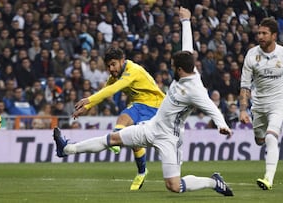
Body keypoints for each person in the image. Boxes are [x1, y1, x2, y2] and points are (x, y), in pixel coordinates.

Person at [53, 7, 234, 196]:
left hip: (169, 138)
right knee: (113, 138)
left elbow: (210, 106)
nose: (171, 69)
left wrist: (222, 124)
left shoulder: (195, 90)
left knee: (174, 186)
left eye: (173, 67)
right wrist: (186, 21)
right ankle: (67, 149)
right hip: (152, 126)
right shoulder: (188, 66)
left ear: (179, 70)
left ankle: (213, 182)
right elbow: (187, 47)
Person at [71, 45, 165, 190]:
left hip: (156, 106)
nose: (111, 69)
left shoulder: (132, 70)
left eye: (114, 64)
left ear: (122, 61)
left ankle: (138, 168)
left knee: (135, 140)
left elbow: (113, 89)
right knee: (124, 119)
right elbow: (105, 91)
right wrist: (86, 107)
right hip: (139, 104)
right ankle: (120, 144)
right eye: (108, 66)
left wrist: (88, 100)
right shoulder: (114, 75)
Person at [239, 17, 283, 191]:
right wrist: (243, 110)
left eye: (264, 33)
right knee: (260, 139)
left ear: (274, 35)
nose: (260, 36)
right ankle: (262, 137)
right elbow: (245, 85)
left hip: (278, 103)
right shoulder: (251, 55)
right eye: (259, 33)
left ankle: (268, 178)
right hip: (258, 105)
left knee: (272, 137)